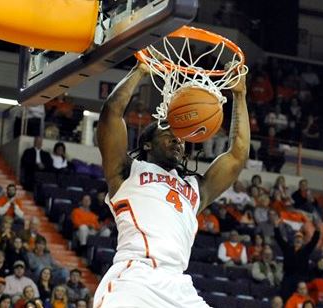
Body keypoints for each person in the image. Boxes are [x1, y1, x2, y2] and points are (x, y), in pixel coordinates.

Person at [93, 61, 250, 307]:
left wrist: (239, 95)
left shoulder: (195, 189)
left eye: (181, 138)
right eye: (168, 132)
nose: (178, 140)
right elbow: (111, 112)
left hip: (178, 286)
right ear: (147, 144)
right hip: (135, 278)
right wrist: (140, 71)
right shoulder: (126, 171)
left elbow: (237, 155)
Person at [276, 218, 320, 301]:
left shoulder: (305, 250)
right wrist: (276, 227)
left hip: (301, 278)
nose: (298, 239)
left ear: (303, 241)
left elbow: (314, 241)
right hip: (288, 277)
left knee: (301, 299)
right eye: (296, 237)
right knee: (285, 297)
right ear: (293, 239)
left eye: (300, 238)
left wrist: (317, 230)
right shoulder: (287, 248)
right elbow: (279, 239)